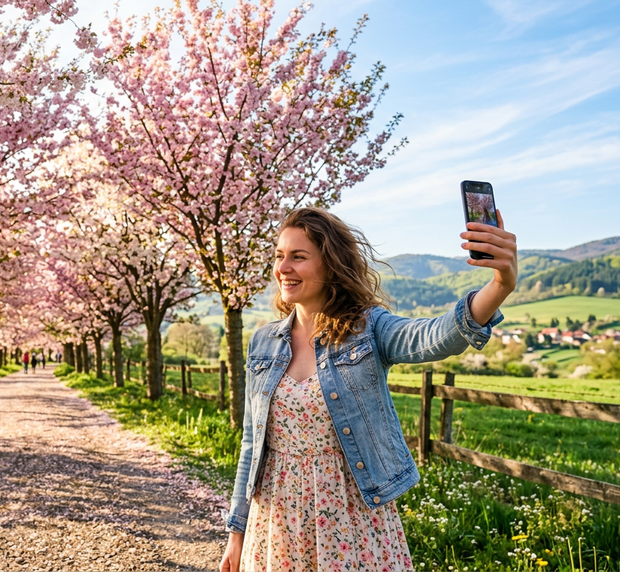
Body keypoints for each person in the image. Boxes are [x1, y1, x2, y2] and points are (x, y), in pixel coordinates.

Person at [219, 207, 517, 572]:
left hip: (350, 515)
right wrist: (237, 531)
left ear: (330, 264)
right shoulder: (263, 342)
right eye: (280, 256)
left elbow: (434, 337)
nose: (283, 268)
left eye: (298, 257)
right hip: (276, 518)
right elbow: (252, 444)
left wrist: (500, 284)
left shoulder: (368, 328)